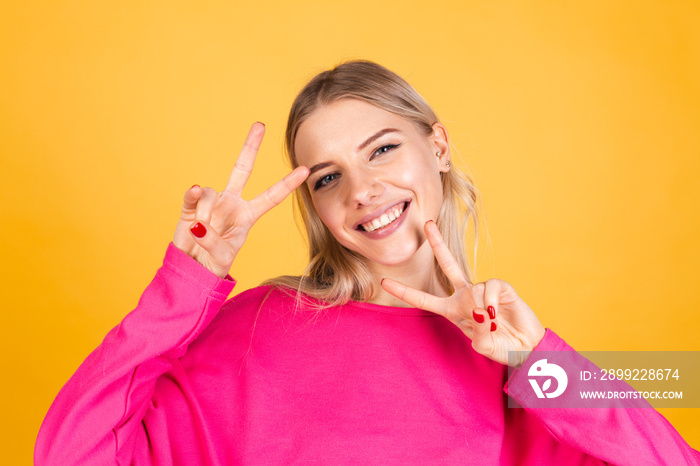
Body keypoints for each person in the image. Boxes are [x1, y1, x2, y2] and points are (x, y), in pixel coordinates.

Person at [35, 60, 699, 465]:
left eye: (382, 150)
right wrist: (186, 280)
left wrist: (541, 361)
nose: (362, 192)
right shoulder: (255, 329)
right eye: (327, 178)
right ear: (316, 207)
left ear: (437, 144)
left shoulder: (515, 360)